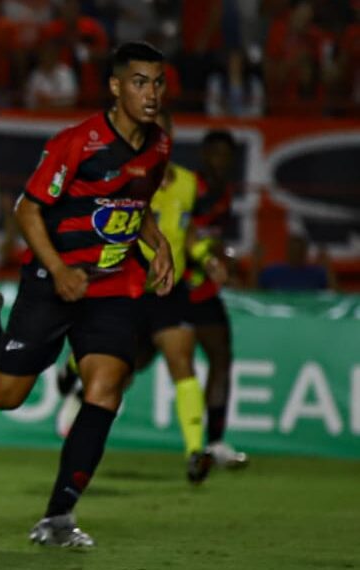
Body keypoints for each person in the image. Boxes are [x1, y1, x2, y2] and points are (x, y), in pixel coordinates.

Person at [0, 42, 174, 548]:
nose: (151, 93)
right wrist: (59, 268)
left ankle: (58, 517)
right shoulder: (78, 142)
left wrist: (158, 246)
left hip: (111, 286)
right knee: (5, 397)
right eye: (139, 81)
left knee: (106, 388)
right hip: (52, 285)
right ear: (115, 87)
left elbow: (139, 206)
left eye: (157, 82)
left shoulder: (158, 146)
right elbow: (27, 210)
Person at [55, 110, 227, 484]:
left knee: (182, 360)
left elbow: (191, 233)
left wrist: (205, 257)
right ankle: (71, 372)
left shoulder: (187, 184)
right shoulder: (124, 176)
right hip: (126, 285)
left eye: (167, 133)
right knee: (118, 370)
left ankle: (196, 451)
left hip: (169, 290)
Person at [184, 129, 249, 469]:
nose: (221, 162)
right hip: (175, 285)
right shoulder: (189, 186)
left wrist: (225, 258)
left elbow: (214, 236)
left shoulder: (225, 194)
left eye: (227, 156)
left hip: (204, 290)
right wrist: (207, 260)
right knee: (137, 358)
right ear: (204, 155)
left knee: (221, 355)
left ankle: (216, 441)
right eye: (216, 154)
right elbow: (181, 231)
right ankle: (80, 386)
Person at [253, 233, 336, 292]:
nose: (296, 254)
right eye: (293, 250)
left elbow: (335, 294)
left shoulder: (317, 273)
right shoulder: (272, 272)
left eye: (299, 250)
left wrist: (327, 267)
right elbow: (253, 292)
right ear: (287, 251)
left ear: (305, 252)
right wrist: (256, 264)